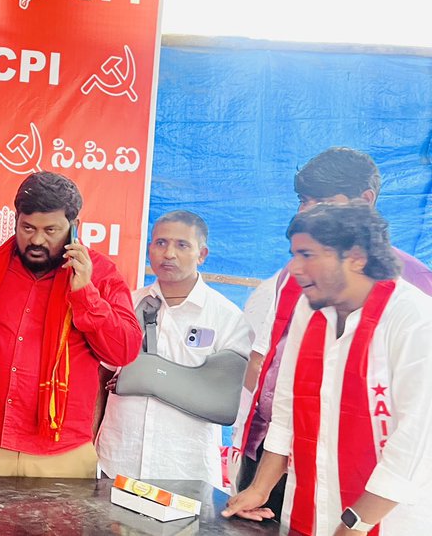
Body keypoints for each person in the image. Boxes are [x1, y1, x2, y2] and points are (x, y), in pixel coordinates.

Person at [237, 148, 432, 510]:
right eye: (303, 201)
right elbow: (272, 373)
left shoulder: (415, 293)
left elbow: (417, 426)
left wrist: (358, 522)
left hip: (377, 483)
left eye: (322, 201)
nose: (307, 211)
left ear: (365, 201)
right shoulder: (296, 279)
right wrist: (262, 477)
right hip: (288, 459)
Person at [0, 172, 140, 478]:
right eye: (27, 228)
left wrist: (86, 295)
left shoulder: (100, 274)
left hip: (61, 454)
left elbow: (124, 351)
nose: (37, 240)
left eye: (51, 230)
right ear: (15, 220)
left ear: (74, 227)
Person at [97, 211, 251, 487]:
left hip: (186, 467)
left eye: (182, 245)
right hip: (117, 458)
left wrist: (148, 378)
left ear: (201, 254)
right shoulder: (127, 304)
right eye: (161, 243)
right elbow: (101, 377)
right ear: (149, 248)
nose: (168, 253)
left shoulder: (227, 317)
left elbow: (225, 401)